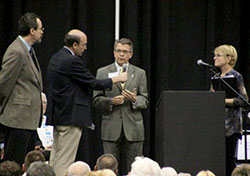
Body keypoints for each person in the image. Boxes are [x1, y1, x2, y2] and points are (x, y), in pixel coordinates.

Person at [45, 29, 127, 176]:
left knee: (55, 157)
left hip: (59, 115)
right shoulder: (71, 60)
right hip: (71, 117)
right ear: (75, 45)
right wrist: (117, 78)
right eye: (84, 45)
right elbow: (93, 82)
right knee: (65, 161)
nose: (86, 48)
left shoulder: (56, 57)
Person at [93, 38, 149, 174]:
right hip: (111, 126)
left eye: (125, 51)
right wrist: (111, 101)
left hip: (134, 128)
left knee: (136, 168)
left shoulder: (140, 73)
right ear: (113, 53)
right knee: (107, 169)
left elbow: (145, 99)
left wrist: (135, 99)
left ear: (131, 54)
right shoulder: (103, 72)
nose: (121, 54)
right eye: (119, 51)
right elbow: (96, 100)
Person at [0, 12, 44, 166]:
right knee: (13, 164)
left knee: (24, 164)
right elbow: (3, 84)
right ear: (32, 31)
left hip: (27, 120)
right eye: (40, 29)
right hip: (18, 119)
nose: (42, 32)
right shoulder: (16, 51)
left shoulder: (28, 50)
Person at [210, 44, 248, 176]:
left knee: (229, 160)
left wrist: (222, 100)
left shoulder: (236, 76)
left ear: (228, 58)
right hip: (217, 126)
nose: (214, 58)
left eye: (218, 55)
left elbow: (243, 100)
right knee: (217, 161)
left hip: (231, 127)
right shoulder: (216, 77)